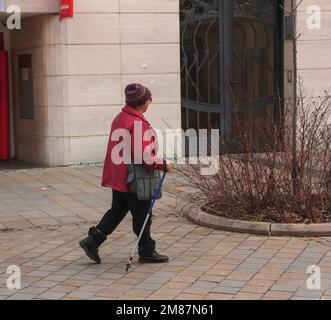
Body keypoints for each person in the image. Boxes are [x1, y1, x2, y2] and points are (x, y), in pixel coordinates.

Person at [79, 83, 172, 264]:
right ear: (142, 102)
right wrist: (163, 164)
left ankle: (93, 240)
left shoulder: (120, 117)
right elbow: (143, 155)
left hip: (120, 175)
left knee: (118, 210)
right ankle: (146, 250)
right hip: (134, 178)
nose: (150, 103)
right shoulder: (137, 123)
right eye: (148, 99)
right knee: (142, 214)